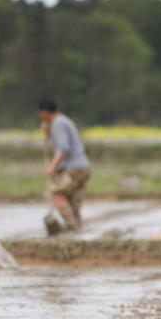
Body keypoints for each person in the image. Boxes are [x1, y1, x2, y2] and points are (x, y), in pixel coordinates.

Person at [37, 97, 91, 230]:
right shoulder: (63, 121)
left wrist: (52, 167)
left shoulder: (58, 123)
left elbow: (63, 149)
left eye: (39, 112)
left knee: (56, 195)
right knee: (73, 204)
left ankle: (71, 227)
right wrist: (48, 131)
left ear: (44, 111)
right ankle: (78, 231)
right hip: (83, 167)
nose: (39, 116)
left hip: (73, 168)